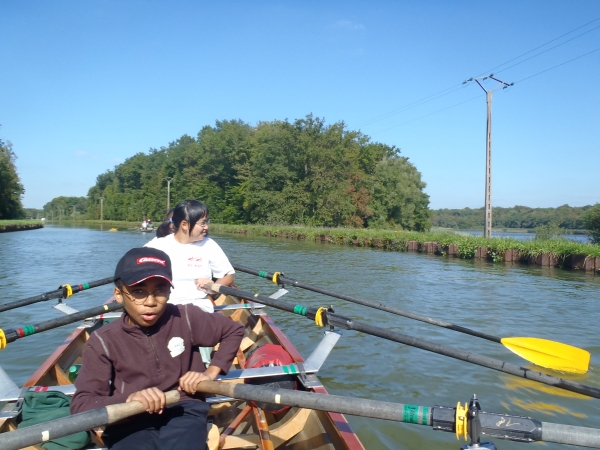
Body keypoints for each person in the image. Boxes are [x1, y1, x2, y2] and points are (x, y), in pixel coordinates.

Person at [70, 247, 244, 449]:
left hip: (184, 408)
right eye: (138, 292)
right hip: (130, 417)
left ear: (170, 291)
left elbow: (234, 331)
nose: (151, 302)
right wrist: (130, 398)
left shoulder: (186, 316)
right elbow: (81, 405)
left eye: (160, 290)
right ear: (118, 294)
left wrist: (211, 373)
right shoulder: (102, 341)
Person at [144, 200, 234, 313]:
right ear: (184, 225)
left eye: (206, 222)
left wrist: (213, 288)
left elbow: (228, 276)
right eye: (202, 223)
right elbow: (136, 271)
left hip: (200, 307)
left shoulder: (209, 244)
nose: (206, 227)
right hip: (164, 306)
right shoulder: (157, 245)